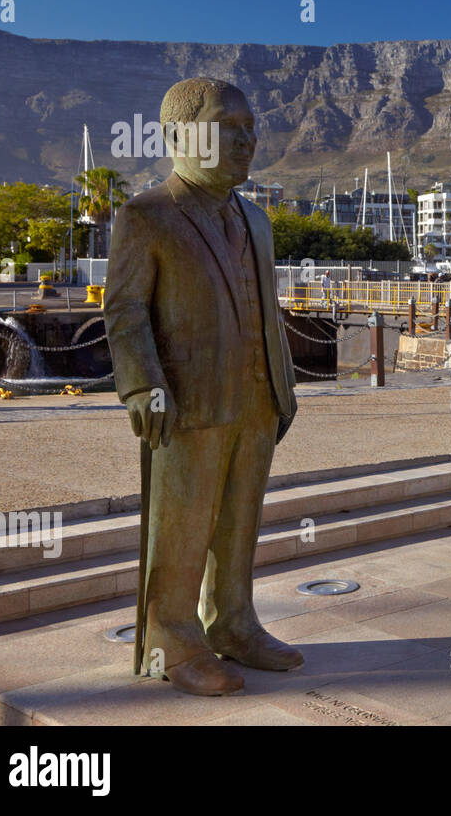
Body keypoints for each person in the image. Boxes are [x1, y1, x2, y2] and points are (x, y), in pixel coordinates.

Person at [104, 78, 302, 696]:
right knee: (183, 524)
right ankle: (172, 640)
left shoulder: (258, 221)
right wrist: (142, 387)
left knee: (241, 520)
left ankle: (235, 622)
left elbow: (268, 310)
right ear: (179, 136)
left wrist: (283, 387)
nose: (245, 141)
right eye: (228, 127)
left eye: (249, 129)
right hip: (186, 404)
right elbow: (125, 310)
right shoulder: (147, 215)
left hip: (256, 400)